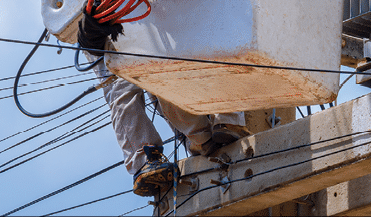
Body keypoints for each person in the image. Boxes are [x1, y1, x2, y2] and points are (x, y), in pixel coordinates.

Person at [78, 13, 249, 197]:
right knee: (164, 64)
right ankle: (221, 123)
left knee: (141, 76)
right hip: (120, 17)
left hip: (119, 15)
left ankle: (158, 155)